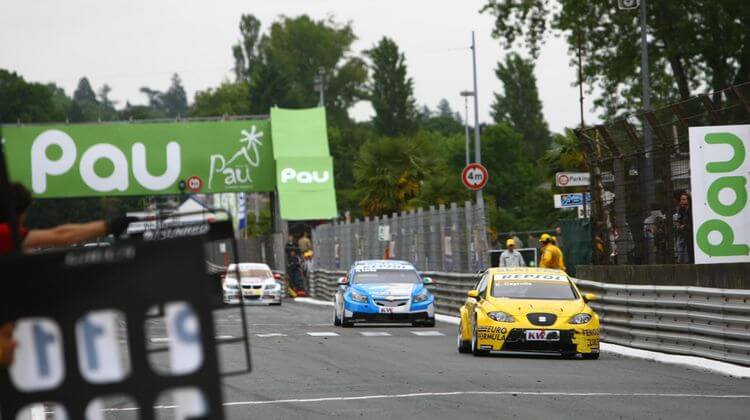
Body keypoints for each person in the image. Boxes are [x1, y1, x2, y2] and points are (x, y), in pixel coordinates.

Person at [0, 182, 136, 368]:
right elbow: (61, 235)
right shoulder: (4, 234)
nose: (24, 219)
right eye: (24, 213)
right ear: (16, 213)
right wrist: (108, 226)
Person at [674, 192, 694, 263]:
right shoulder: (681, 210)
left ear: (688, 200)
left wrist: (684, 226)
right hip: (682, 235)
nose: (682, 201)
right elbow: (679, 220)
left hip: (690, 235)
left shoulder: (692, 210)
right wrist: (678, 224)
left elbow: (693, 223)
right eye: (681, 199)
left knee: (689, 252)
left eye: (684, 199)